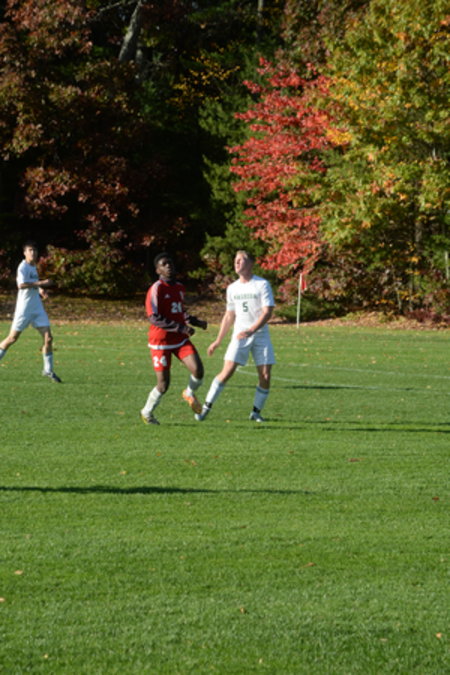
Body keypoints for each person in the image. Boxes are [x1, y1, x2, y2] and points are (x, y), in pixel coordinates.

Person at [196, 249, 275, 423]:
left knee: (265, 375)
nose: (236, 263)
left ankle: (256, 413)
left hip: (260, 335)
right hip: (240, 335)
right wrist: (218, 340)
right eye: (235, 260)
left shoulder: (262, 284)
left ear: (250, 263)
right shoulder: (232, 288)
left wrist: (252, 330)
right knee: (227, 371)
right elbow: (229, 315)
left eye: (241, 259)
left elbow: (267, 312)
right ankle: (205, 409)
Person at [140, 252, 207, 425]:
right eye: (164, 264)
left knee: (198, 370)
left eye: (170, 263)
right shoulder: (156, 288)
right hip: (160, 342)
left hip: (179, 340)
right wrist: (181, 327)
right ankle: (147, 412)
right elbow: (154, 317)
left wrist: (195, 321)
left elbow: (179, 311)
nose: (168, 266)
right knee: (163, 385)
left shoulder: (179, 287)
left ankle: (189, 393)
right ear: (158, 270)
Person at [0, 241, 62, 382]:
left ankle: (48, 370)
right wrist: (41, 283)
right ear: (24, 253)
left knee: (48, 338)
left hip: (37, 308)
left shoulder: (33, 266)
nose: (33, 253)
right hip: (24, 309)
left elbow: (32, 282)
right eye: (30, 250)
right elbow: (21, 285)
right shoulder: (22, 267)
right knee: (12, 338)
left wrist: (40, 290)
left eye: (34, 250)